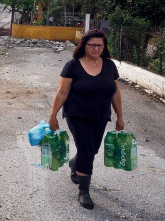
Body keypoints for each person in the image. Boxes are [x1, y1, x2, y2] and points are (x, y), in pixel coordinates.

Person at [48, 29, 124, 210]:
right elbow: (62, 92)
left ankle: (75, 163)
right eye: (92, 45)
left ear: (104, 47)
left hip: (100, 115)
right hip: (77, 115)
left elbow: (116, 93)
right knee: (87, 150)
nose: (96, 48)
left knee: (92, 150)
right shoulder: (72, 65)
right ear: (84, 46)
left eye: (99, 45)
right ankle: (84, 192)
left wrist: (120, 116)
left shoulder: (110, 66)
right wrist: (53, 116)